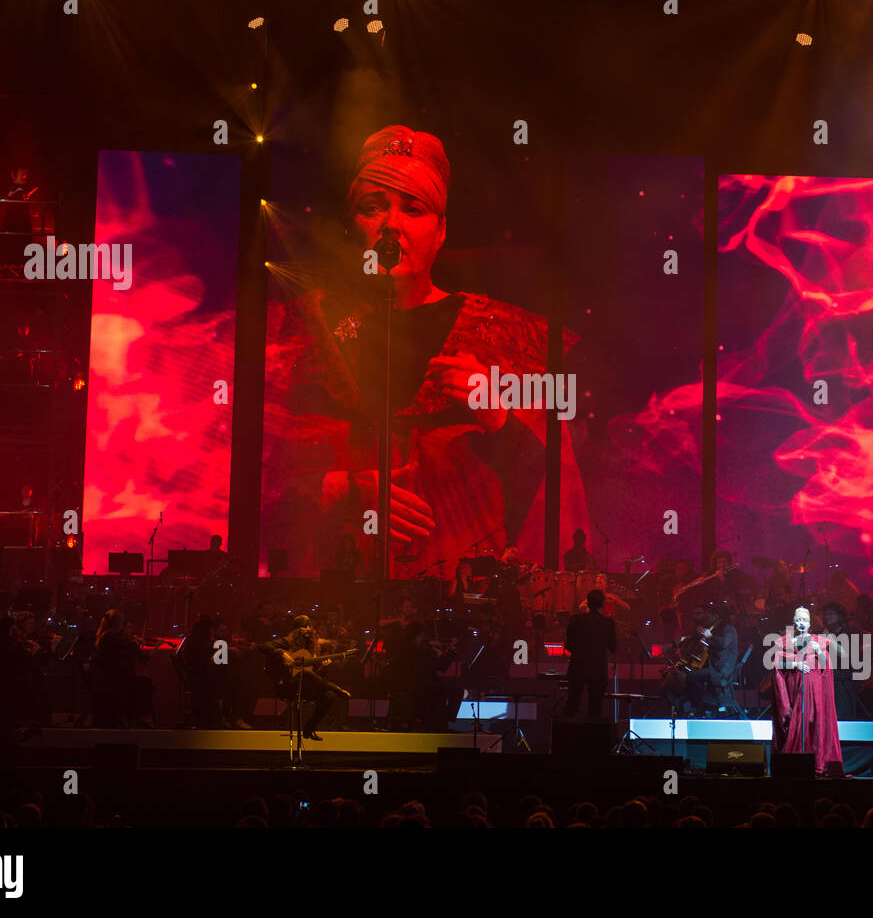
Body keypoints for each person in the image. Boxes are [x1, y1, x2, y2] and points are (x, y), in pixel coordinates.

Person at [260, 124, 587, 576]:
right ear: (351, 226)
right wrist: (343, 488)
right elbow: (244, 478)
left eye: (413, 209)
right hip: (326, 588)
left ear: (441, 231)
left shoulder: (509, 339)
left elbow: (559, 497)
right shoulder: (292, 331)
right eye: (372, 207)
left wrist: (497, 417)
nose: (391, 224)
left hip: (456, 592)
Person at [769, 606, 842, 776]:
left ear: (810, 623)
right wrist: (795, 664)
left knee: (813, 722)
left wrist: (818, 651)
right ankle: (794, 760)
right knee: (796, 722)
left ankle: (816, 762)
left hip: (815, 690)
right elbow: (776, 665)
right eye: (798, 619)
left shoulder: (819, 641)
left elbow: (826, 666)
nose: (801, 623)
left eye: (805, 620)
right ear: (793, 621)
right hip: (794, 690)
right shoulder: (784, 642)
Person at [262, 615, 352, 741]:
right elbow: (264, 646)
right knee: (305, 674)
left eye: (310, 626)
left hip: (305, 686)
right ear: (297, 629)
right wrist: (282, 653)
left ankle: (309, 728)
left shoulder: (312, 648)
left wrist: (322, 667)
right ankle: (338, 689)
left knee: (328, 696)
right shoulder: (288, 641)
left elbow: (315, 675)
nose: (309, 629)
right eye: (305, 626)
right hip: (288, 685)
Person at [563, 589, 617, 719]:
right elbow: (613, 647)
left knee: (572, 704)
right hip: (598, 669)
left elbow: (568, 646)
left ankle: (566, 737)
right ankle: (592, 738)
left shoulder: (576, 620)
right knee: (595, 708)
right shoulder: (608, 623)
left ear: (588, 603)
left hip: (577, 667)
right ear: (602, 604)